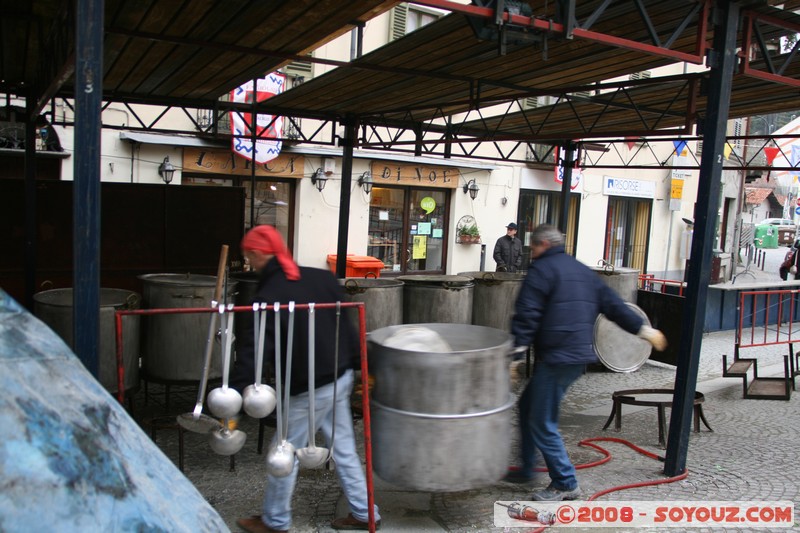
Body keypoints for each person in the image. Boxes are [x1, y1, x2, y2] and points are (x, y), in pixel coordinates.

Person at [231, 225, 381, 533]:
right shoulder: (321, 277)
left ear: (260, 254)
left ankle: (275, 521)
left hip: (308, 387)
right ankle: (366, 513)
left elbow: (255, 348)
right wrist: (359, 366)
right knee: (343, 449)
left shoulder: (269, 293)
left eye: (250, 257)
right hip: (339, 378)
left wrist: (234, 391)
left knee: (282, 453)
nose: (250, 264)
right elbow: (348, 324)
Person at [505, 224, 667, 501]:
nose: (532, 253)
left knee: (541, 421)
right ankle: (527, 469)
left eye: (533, 248)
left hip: (557, 357)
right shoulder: (581, 270)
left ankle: (565, 483)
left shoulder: (541, 270)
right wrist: (642, 329)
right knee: (528, 405)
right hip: (576, 357)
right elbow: (613, 305)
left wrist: (517, 354)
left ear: (542, 244)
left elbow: (527, 313)